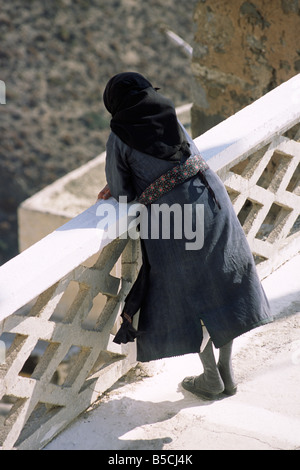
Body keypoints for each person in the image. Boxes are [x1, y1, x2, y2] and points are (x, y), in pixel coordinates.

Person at [97, 72, 272, 401]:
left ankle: (210, 378)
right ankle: (225, 372)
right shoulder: (168, 113)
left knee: (192, 296)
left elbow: (121, 193)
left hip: (173, 221)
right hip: (211, 200)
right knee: (222, 283)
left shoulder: (119, 137)